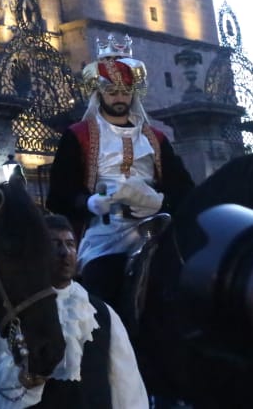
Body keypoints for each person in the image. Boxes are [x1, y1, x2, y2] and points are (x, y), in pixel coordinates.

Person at [46, 35, 193, 304]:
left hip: (156, 228)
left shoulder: (156, 139)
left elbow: (183, 187)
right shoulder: (78, 136)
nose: (120, 97)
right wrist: (88, 202)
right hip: (106, 233)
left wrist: (162, 202)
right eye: (112, 91)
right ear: (100, 93)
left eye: (125, 91)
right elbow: (58, 194)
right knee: (102, 286)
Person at [0, 214, 148, 407]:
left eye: (70, 244)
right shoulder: (12, 312)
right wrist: (26, 377)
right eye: (54, 244)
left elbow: (126, 385)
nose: (65, 252)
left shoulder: (102, 313)